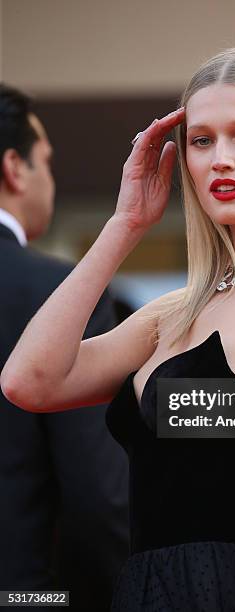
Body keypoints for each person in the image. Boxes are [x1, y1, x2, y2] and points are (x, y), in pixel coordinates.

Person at [1, 42, 235, 612]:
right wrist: (124, 226)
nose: (220, 158)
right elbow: (30, 382)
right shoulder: (173, 313)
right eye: (201, 139)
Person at [0, 84, 129, 611]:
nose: (49, 180)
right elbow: (97, 497)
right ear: (14, 167)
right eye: (46, 163)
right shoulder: (58, 297)